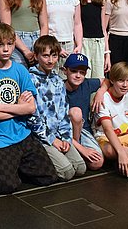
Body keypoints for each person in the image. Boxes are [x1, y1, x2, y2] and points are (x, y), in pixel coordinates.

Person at [0, 23, 57, 194]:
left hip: (22, 133)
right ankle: (9, 169)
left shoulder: (20, 70)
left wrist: (1, 107)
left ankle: (17, 166)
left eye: (10, 44)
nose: (6, 49)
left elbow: (30, 108)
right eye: (0, 44)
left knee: (49, 176)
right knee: (6, 186)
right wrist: (18, 107)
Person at [28, 36, 86, 181]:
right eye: (46, 55)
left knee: (80, 168)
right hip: (41, 137)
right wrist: (53, 140)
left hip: (59, 135)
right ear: (36, 56)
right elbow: (32, 117)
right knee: (67, 172)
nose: (50, 60)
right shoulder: (30, 79)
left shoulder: (58, 81)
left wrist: (66, 138)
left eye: (54, 56)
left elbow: (64, 113)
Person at [63, 53, 106, 171]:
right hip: (64, 132)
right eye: (74, 71)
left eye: (82, 72)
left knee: (97, 163)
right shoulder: (58, 87)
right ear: (65, 71)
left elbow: (106, 81)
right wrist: (82, 149)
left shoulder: (86, 83)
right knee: (75, 112)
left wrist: (100, 93)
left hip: (83, 131)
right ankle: (75, 149)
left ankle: (77, 153)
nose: (78, 75)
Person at [38, 0, 82, 72]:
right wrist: (56, 47)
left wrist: (79, 45)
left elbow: (77, 23)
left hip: (70, 45)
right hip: (50, 46)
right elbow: (42, 24)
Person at [74, 0, 106, 79]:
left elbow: (103, 28)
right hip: (82, 43)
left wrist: (107, 53)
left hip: (98, 43)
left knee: (98, 79)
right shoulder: (74, 0)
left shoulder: (100, 1)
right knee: (82, 77)